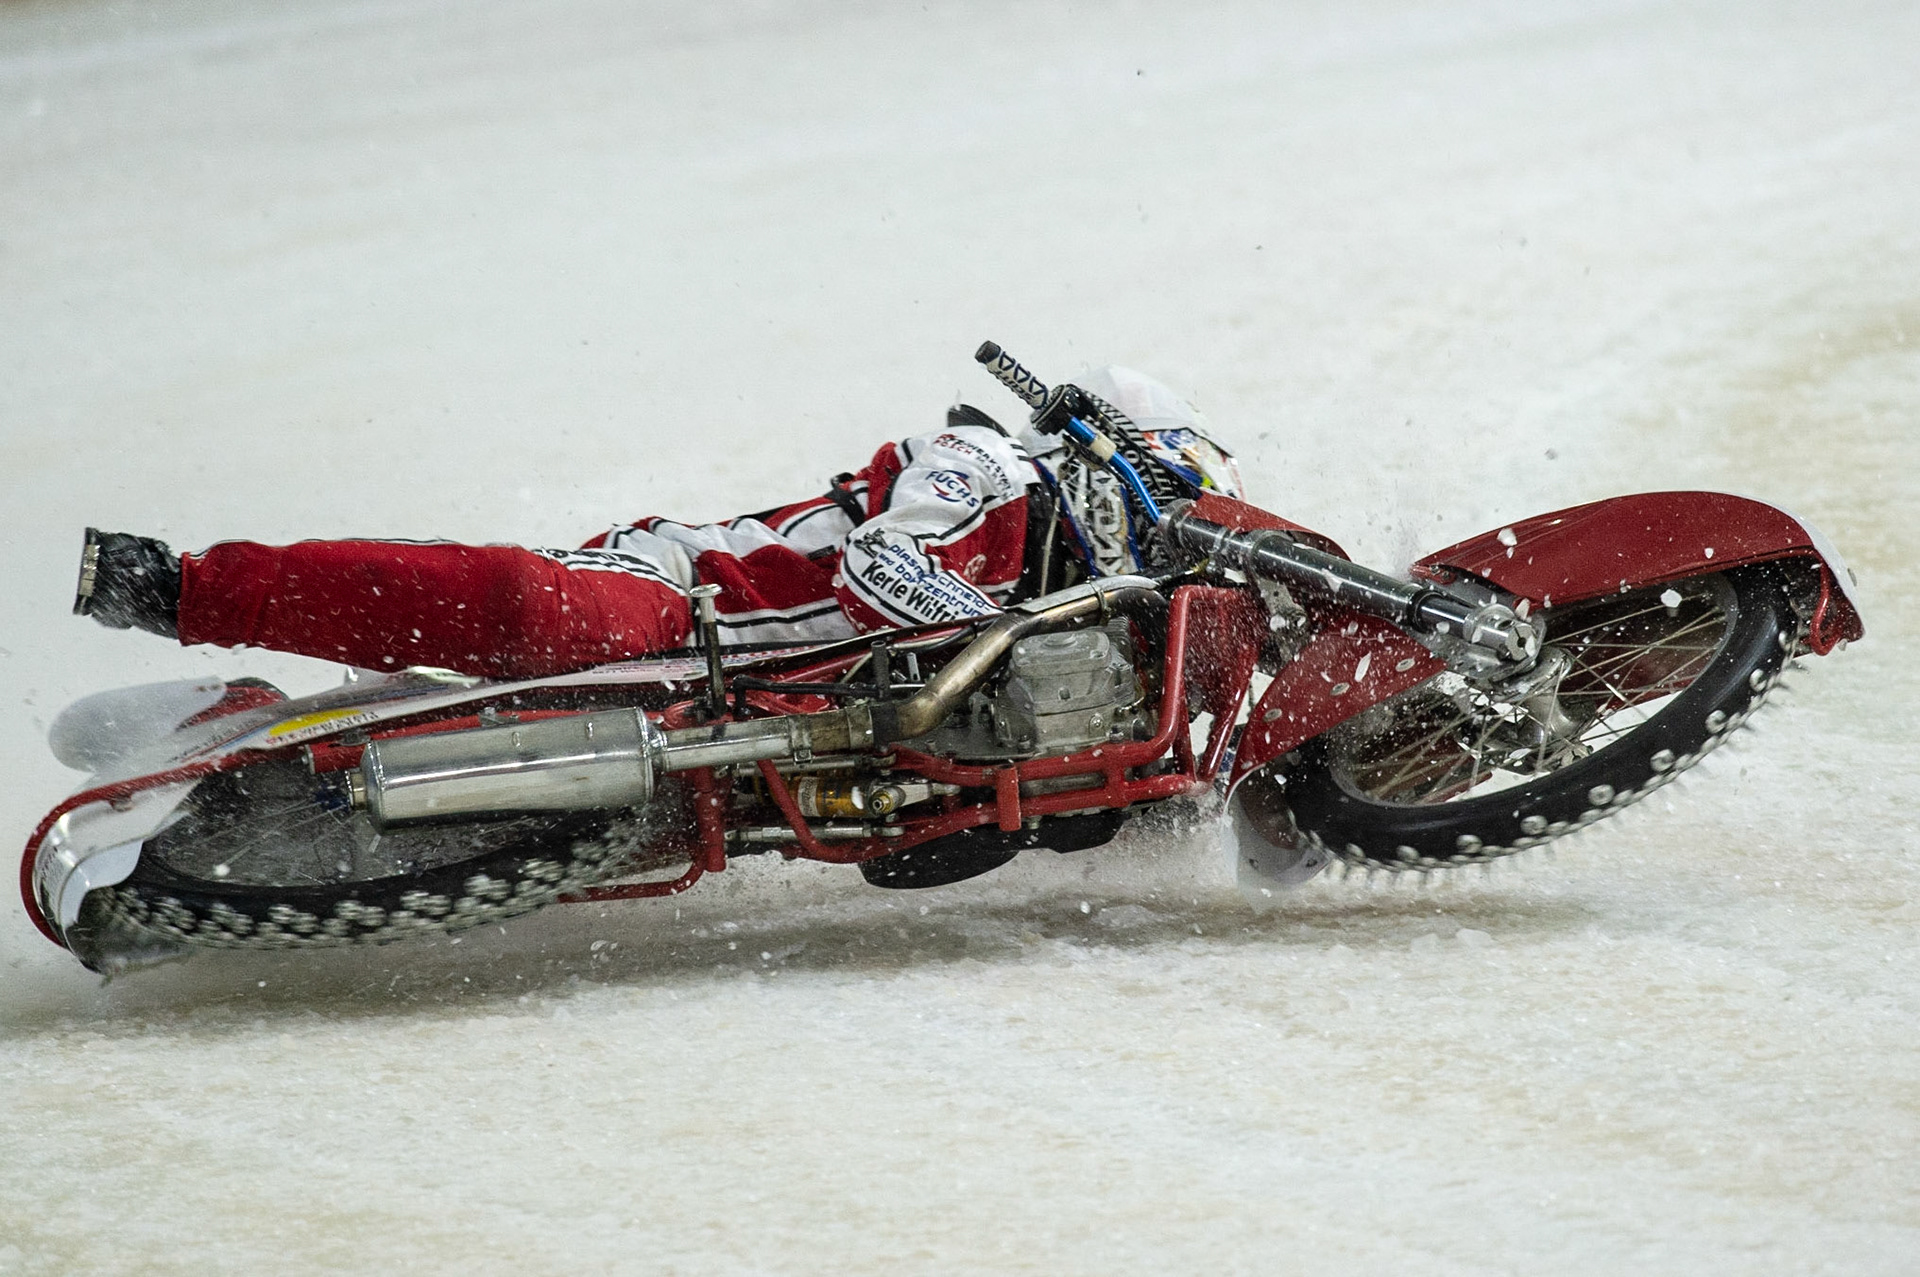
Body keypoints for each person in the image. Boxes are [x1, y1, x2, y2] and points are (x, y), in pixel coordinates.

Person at [73, 367, 1242, 681]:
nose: (1172, 515)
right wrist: (1001, 631)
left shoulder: (1064, 575)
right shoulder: (988, 465)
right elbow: (883, 568)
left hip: (748, 678)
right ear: (1111, 452)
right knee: (532, 612)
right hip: (688, 594)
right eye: (1168, 481)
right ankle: (177, 587)